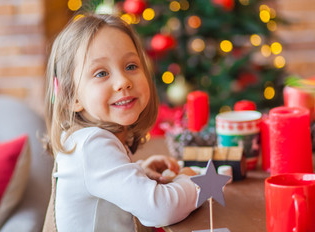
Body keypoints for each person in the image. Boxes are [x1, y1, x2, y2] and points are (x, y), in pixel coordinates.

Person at [43, 13, 198, 232]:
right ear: (71, 97)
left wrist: (139, 172)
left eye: (131, 66)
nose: (123, 82)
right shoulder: (92, 145)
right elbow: (160, 210)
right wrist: (195, 183)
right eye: (101, 73)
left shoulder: (85, 138)